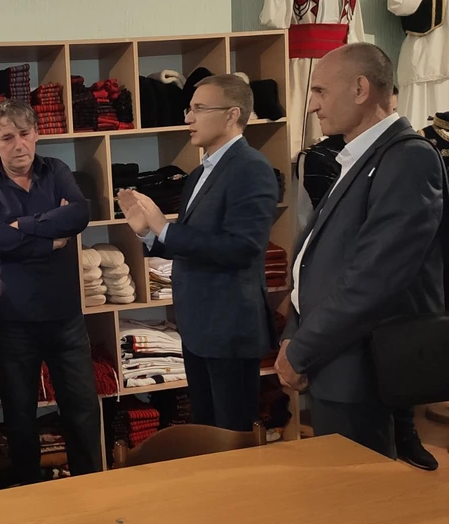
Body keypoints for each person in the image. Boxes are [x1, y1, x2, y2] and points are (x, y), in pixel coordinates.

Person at [277, 43, 445, 459]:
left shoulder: (407, 158)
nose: (313, 105)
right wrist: (293, 333)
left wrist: (301, 349)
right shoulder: (358, 156)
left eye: (320, 91)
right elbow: (317, 260)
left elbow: (374, 277)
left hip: (361, 368)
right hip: (334, 360)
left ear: (360, 89)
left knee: (358, 488)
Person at [118, 74, 278, 432]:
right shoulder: (199, 173)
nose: (188, 117)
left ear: (232, 114)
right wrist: (147, 232)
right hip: (198, 327)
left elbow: (243, 248)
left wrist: (165, 228)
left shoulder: (251, 168)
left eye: (199, 108)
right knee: (205, 430)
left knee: (233, 435)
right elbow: (190, 242)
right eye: (189, 109)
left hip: (229, 327)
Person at [0, 99, 101, 485]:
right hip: (12, 319)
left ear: (37, 134)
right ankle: (27, 495)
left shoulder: (56, 169)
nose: (18, 144)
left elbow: (79, 214)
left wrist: (19, 226)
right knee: (19, 416)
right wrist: (49, 239)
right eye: (7, 137)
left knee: (82, 411)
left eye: (25, 134)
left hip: (65, 316)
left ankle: (93, 487)